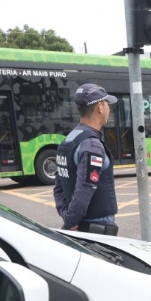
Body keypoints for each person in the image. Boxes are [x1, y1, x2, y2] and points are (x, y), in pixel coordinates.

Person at [55, 83, 119, 235]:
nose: (109, 109)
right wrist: (69, 224)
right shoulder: (92, 146)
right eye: (107, 104)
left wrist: (67, 216)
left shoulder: (69, 140)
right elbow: (85, 189)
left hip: (79, 225)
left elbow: (59, 188)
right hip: (97, 228)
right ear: (100, 107)